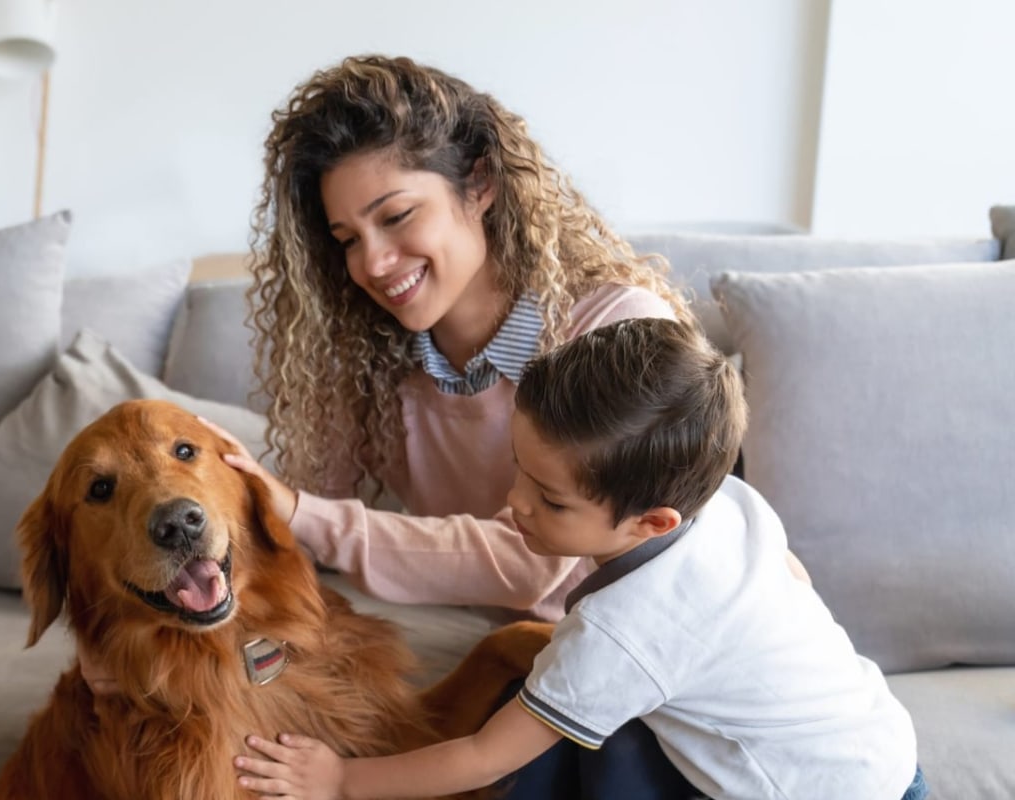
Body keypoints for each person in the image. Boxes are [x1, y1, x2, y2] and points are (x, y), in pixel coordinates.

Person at [81, 53, 766, 796]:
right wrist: (147, 632)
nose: (373, 262)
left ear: (480, 185)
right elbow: (284, 542)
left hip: (649, 663)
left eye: (397, 216)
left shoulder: (615, 334)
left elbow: (526, 556)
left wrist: (309, 517)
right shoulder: (368, 360)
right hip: (528, 656)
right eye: (346, 238)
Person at [233, 317, 924, 800]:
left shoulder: (622, 634)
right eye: (518, 471)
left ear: (653, 522)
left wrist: (340, 781)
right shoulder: (734, 504)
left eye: (551, 502)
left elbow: (483, 756)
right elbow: (791, 577)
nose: (514, 504)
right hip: (883, 742)